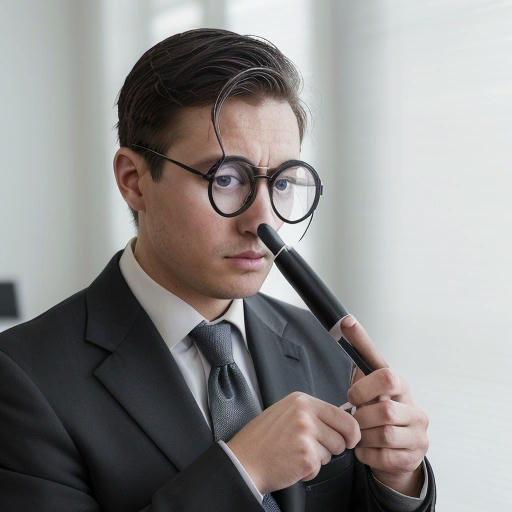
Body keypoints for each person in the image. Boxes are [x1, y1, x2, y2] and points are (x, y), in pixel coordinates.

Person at [0, 29, 435, 511]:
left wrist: (398, 480)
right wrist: (242, 472)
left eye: (284, 182)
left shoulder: (324, 349)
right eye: (226, 179)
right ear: (133, 181)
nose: (263, 221)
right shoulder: (23, 379)